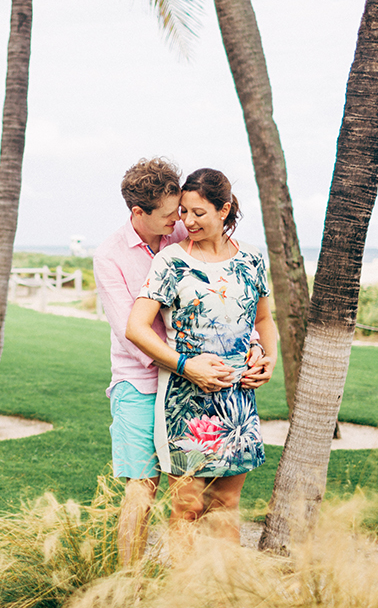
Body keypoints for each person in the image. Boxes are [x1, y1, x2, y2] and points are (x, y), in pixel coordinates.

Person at [125, 167, 276, 544]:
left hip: (238, 402)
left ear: (224, 211)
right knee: (187, 508)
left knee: (227, 504)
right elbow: (136, 327)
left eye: (198, 213)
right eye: (184, 212)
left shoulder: (253, 260)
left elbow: (263, 318)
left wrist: (268, 359)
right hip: (187, 402)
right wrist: (186, 366)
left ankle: (222, 593)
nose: (187, 221)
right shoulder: (171, 261)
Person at [94, 157, 187, 565]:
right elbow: (132, 336)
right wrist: (187, 364)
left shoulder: (183, 233)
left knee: (186, 488)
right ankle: (128, 581)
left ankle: (186, 582)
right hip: (139, 382)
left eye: (179, 209)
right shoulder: (109, 256)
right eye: (169, 214)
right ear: (138, 212)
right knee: (142, 487)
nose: (178, 219)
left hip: (188, 382)